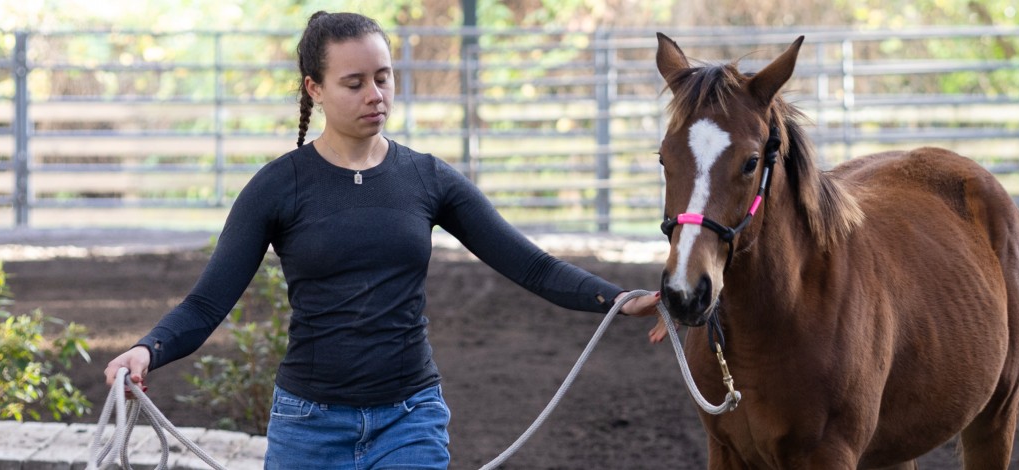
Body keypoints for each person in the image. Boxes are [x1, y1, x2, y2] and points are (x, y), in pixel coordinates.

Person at [101, 11, 661, 469]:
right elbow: (207, 302)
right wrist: (148, 348)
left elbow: (531, 265)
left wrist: (615, 298)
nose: (376, 94)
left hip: (410, 420)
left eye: (384, 77)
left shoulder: (427, 178)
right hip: (306, 429)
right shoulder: (277, 187)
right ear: (314, 88)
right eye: (354, 82)